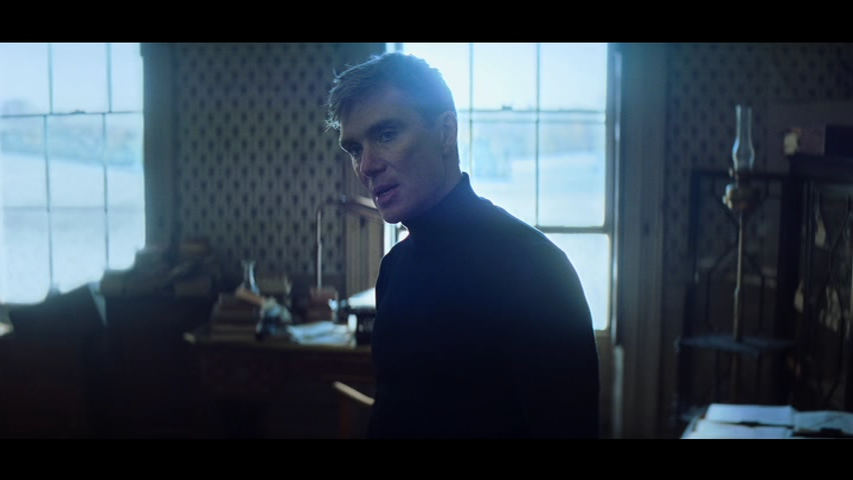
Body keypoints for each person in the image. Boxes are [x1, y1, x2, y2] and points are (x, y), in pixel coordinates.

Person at [324, 51, 600, 439]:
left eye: (386, 135)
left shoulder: (535, 268)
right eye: (355, 148)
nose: (366, 165)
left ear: (446, 132)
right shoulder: (395, 267)